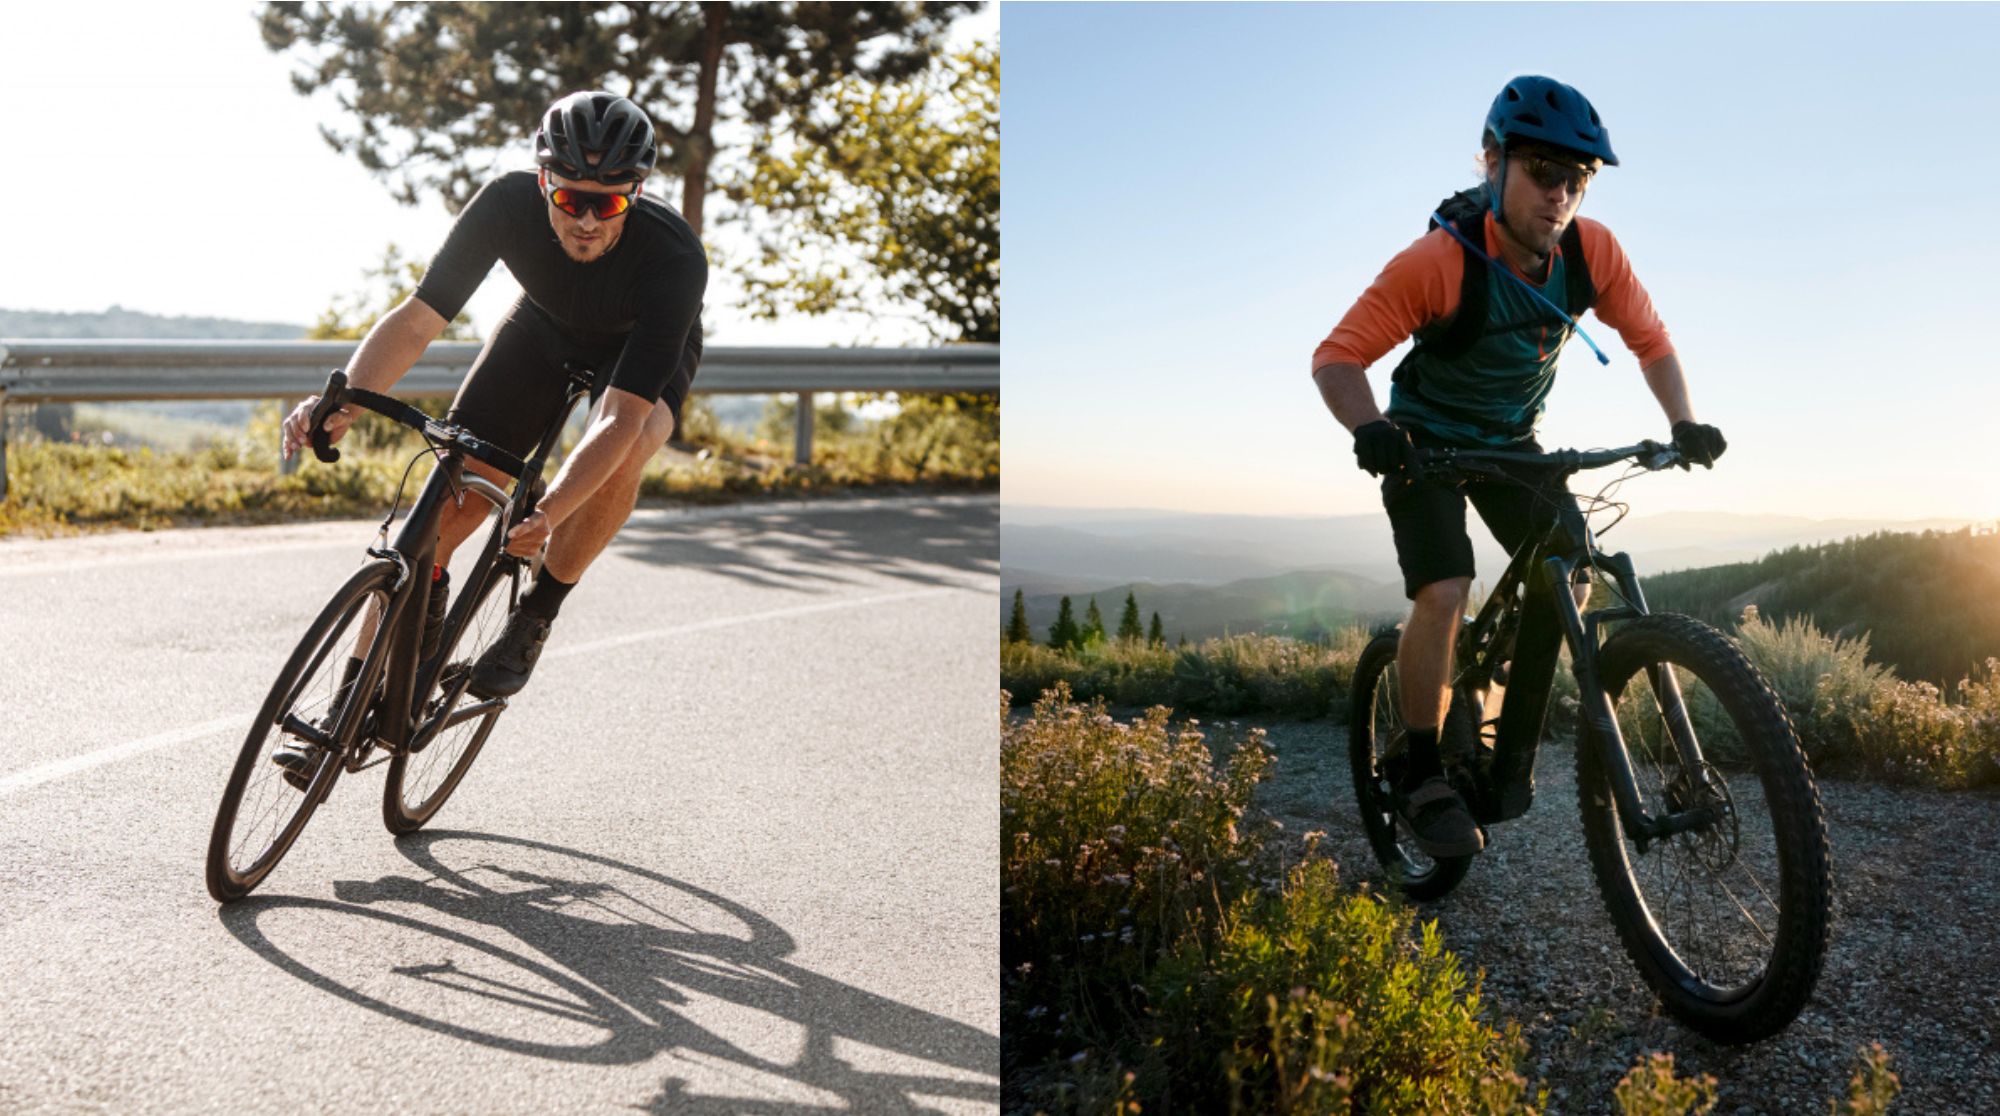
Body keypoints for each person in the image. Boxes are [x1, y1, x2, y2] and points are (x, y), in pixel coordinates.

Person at [1309, 75, 1725, 858]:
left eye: (1577, 178)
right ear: (1493, 161)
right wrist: (1369, 427)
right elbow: (1336, 358)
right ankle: (1424, 770)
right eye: (1542, 171)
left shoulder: (1590, 253)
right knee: (1445, 589)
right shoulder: (1438, 263)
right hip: (1422, 442)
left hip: (1509, 444)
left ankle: (1488, 711)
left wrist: (1684, 423)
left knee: (1567, 568)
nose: (1560, 193)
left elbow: (1653, 342)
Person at [274, 91, 706, 782]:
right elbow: (419, 319)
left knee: (635, 440)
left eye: (610, 203)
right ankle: (351, 699)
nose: (588, 220)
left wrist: (548, 514)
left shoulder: (675, 256)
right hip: (540, 327)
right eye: (570, 200)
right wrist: (347, 398)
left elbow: (618, 419)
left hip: (636, 356)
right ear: (543, 182)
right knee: (450, 499)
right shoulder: (505, 203)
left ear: (637, 192)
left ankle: (537, 612)